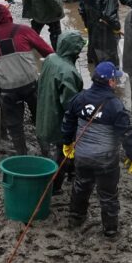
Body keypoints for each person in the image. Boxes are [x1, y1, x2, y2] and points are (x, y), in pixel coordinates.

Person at [61, 61, 132, 239]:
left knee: (81, 185)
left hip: (82, 156)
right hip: (106, 160)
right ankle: (110, 231)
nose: (117, 82)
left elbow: (68, 120)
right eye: (115, 79)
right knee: (108, 194)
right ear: (110, 82)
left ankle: (75, 218)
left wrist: (67, 142)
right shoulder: (115, 105)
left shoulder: (79, 98)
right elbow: (127, 133)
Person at [0, 4, 54, 156]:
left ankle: (22, 154)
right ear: (9, 16)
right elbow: (48, 51)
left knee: (15, 125)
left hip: (8, 90)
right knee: (39, 119)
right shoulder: (23, 30)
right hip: (30, 85)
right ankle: (46, 151)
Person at [35, 30, 85, 193]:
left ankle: (69, 172)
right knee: (62, 152)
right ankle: (55, 187)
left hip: (44, 112)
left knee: (54, 148)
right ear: (74, 51)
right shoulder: (69, 72)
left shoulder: (50, 59)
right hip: (58, 119)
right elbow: (70, 105)